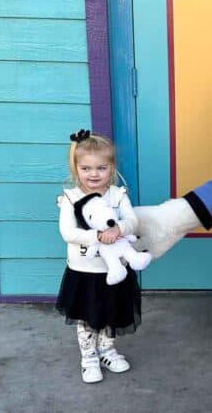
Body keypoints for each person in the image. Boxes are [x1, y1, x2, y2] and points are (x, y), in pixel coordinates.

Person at [55, 130, 143, 383]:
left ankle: (107, 350)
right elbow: (68, 233)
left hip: (115, 271)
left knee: (111, 312)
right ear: (76, 168)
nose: (94, 174)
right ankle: (89, 356)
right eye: (86, 168)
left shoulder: (118, 195)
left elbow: (132, 221)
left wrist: (119, 229)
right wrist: (97, 236)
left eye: (101, 168)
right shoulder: (71, 198)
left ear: (112, 168)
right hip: (85, 271)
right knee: (87, 316)